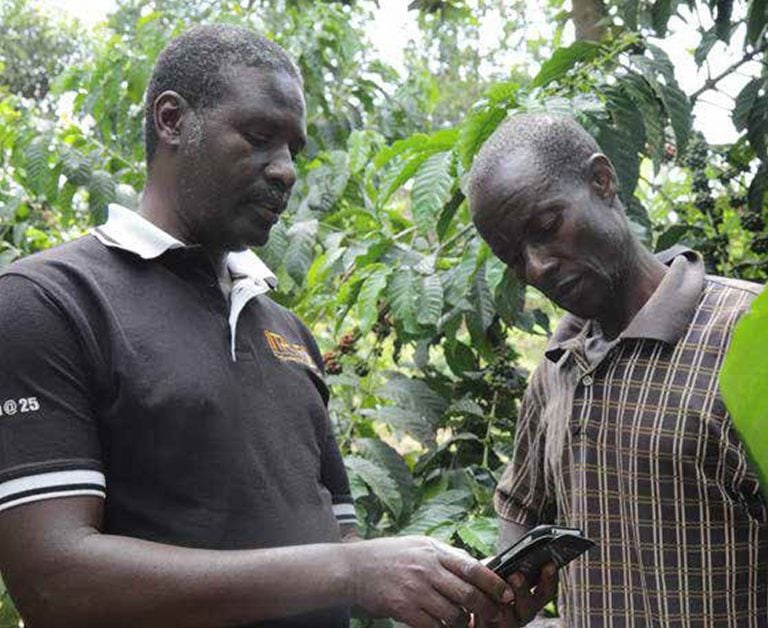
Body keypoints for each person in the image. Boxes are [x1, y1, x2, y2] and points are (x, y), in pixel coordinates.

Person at [0, 25, 518, 628]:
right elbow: (54, 579)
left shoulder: (288, 332)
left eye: (293, 148)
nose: (286, 172)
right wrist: (350, 571)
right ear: (172, 121)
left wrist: (459, 592)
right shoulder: (52, 301)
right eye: (259, 137)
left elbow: (338, 550)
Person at [467, 113, 768, 627]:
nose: (536, 267)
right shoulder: (556, 370)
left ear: (602, 181)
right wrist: (504, 602)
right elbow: (520, 510)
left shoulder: (749, 332)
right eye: (513, 256)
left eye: (545, 228)